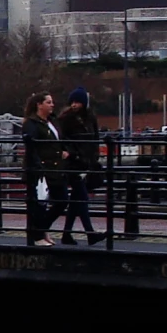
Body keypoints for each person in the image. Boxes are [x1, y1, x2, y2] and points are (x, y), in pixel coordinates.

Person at [54, 86, 100, 245]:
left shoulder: (90, 118)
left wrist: (94, 157)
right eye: (72, 102)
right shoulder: (65, 119)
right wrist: (72, 153)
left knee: (76, 199)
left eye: (78, 102)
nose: (74, 105)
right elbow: (63, 139)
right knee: (82, 198)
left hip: (85, 162)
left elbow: (95, 138)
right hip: (72, 163)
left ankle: (67, 234)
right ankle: (90, 233)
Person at [22, 92, 60, 246]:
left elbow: (57, 141)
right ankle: (38, 235)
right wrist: (38, 165)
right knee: (37, 203)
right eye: (49, 102)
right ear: (39, 104)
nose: (52, 105)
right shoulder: (31, 123)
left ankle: (41, 230)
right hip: (40, 169)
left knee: (61, 200)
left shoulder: (52, 122)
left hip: (55, 168)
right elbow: (32, 146)